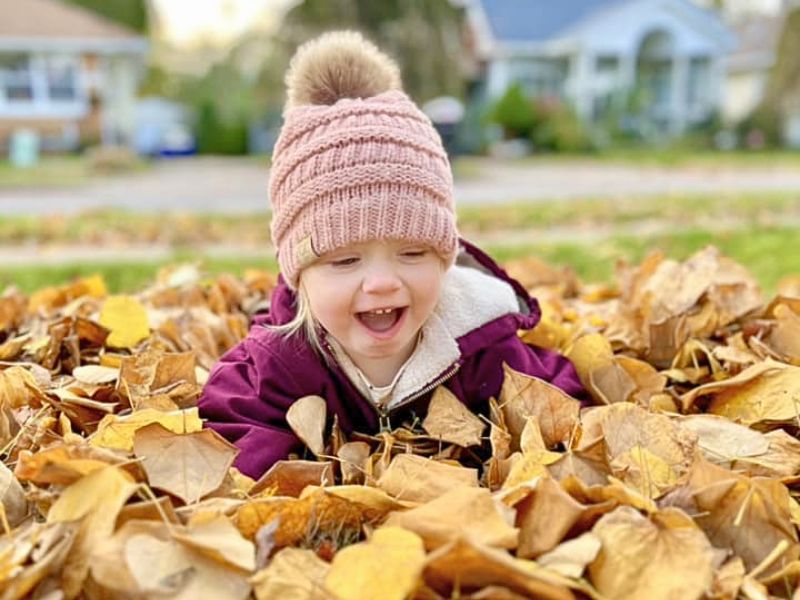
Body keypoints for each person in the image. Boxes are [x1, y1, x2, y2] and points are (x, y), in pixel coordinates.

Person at [198, 31, 583, 479]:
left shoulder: (478, 344)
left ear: (446, 257)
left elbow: (559, 399)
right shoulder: (281, 361)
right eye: (345, 261)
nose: (381, 282)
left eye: (413, 252)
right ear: (300, 273)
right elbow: (230, 427)